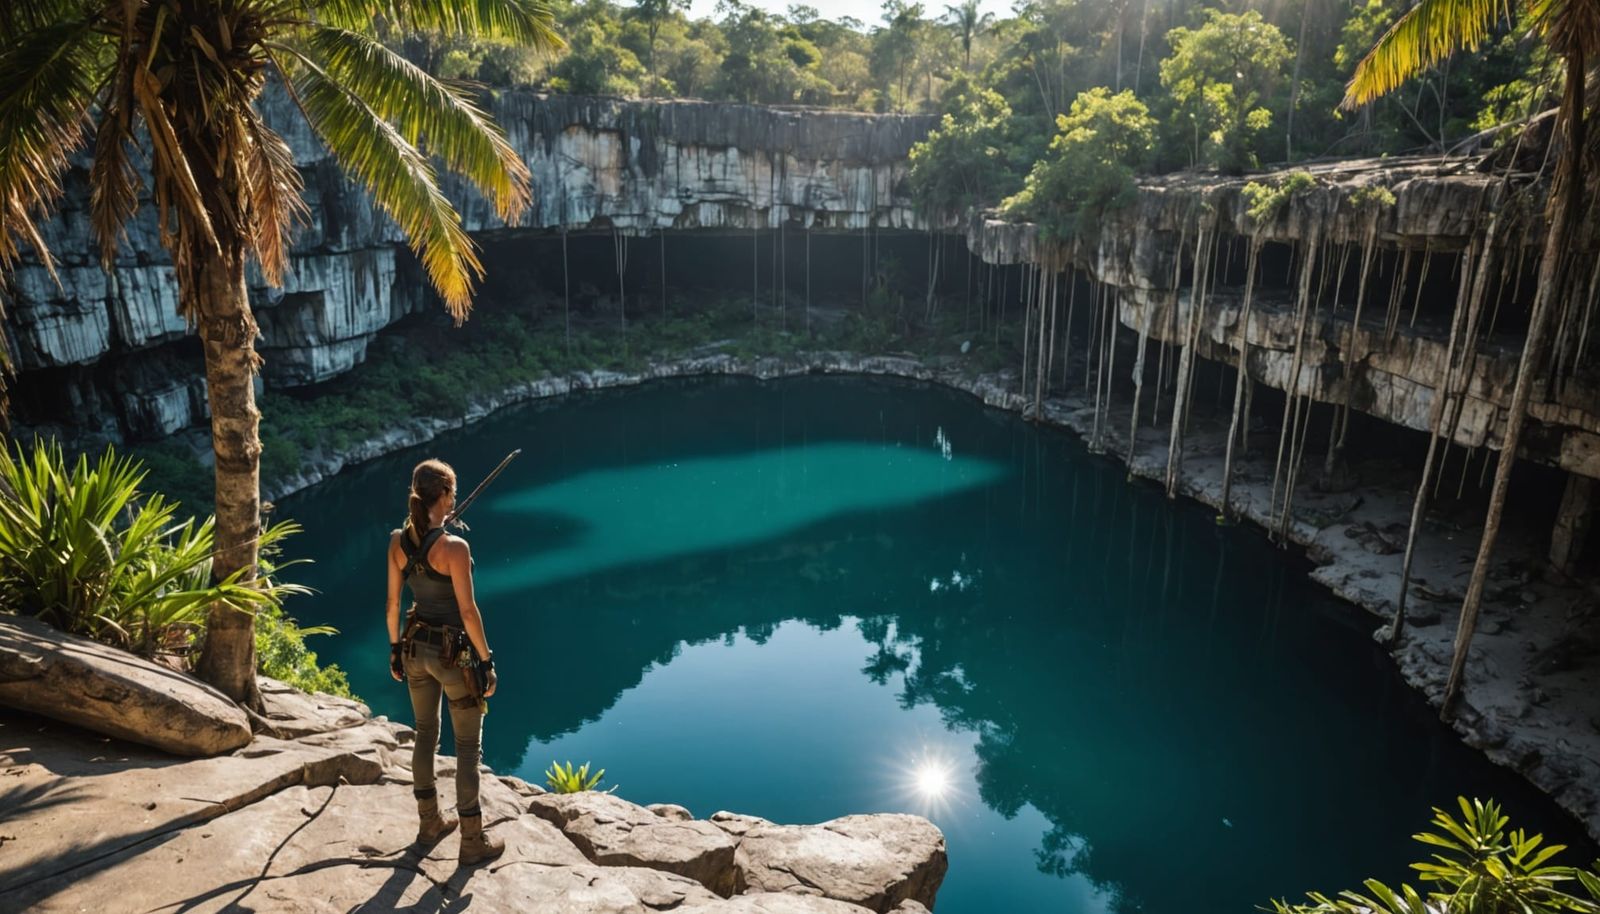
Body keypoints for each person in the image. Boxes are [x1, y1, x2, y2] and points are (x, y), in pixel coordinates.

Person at [386, 458, 502, 864]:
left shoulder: (398, 540)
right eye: (452, 491)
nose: (454, 497)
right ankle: (472, 842)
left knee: (424, 734)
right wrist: (485, 662)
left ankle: (428, 823)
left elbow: (392, 605)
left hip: (415, 649)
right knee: (467, 749)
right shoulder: (455, 547)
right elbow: (468, 612)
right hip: (454, 656)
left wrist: (395, 650)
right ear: (444, 495)